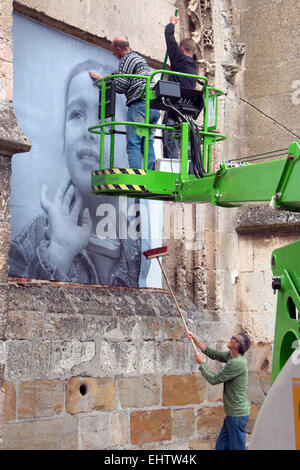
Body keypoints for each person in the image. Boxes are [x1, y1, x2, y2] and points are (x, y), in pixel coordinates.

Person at [9, 60, 143, 287]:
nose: (89, 131)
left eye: (105, 115)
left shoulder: (139, 246)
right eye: (77, 114)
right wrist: (58, 253)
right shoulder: (30, 242)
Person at [89, 37, 160, 170]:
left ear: (119, 49)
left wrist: (103, 81)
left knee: (134, 143)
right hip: (154, 107)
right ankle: (150, 173)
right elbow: (125, 79)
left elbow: (121, 85)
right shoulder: (139, 59)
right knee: (148, 142)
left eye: (113, 50)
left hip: (140, 105)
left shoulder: (126, 59)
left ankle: (136, 176)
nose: (113, 54)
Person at [186, 330, 251, 450]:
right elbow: (213, 353)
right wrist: (194, 338)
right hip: (232, 415)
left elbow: (214, 379)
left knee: (236, 448)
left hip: (237, 415)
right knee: (221, 446)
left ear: (236, 345)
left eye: (233, 338)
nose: (230, 338)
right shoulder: (232, 356)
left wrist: (202, 364)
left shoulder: (237, 363)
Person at [163, 15, 198, 159]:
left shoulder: (179, 59)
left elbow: (169, 37)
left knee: (170, 143)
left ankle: (171, 170)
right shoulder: (194, 68)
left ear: (181, 48)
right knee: (187, 145)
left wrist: (172, 22)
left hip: (173, 108)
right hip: (187, 111)